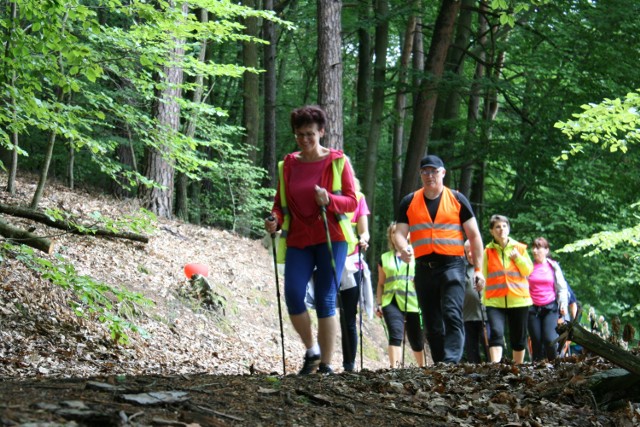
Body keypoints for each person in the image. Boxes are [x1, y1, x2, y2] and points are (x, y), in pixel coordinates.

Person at [265, 105, 358, 375]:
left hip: (332, 237)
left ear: (321, 132)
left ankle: (327, 365)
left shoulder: (338, 162)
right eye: (299, 135)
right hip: (299, 239)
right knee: (293, 294)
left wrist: (329, 200)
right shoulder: (288, 165)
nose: (304, 140)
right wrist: (274, 220)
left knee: (325, 297)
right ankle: (312, 351)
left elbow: (351, 202)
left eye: (310, 134)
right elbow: (279, 205)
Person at [394, 155, 485, 364]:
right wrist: (403, 247)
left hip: (452, 265)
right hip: (424, 267)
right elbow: (399, 233)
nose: (429, 176)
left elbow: (474, 236)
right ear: (420, 174)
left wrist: (478, 270)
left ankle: (451, 362)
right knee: (432, 321)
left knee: (452, 313)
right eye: (425, 172)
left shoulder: (457, 199)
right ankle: (440, 364)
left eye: (434, 171)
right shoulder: (409, 201)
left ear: (443, 173)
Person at [482, 215, 533, 364]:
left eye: (504, 226)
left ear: (508, 229)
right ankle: (496, 368)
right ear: (492, 231)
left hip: (519, 300)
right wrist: (481, 292)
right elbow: (483, 275)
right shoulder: (487, 252)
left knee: (518, 338)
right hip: (494, 301)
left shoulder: (520, 248)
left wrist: (518, 258)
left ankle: (518, 368)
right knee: (496, 333)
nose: (501, 230)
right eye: (497, 227)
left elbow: (528, 271)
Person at [376, 223, 425, 368]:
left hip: (413, 302)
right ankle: (395, 370)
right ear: (391, 237)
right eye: (393, 232)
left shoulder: (417, 256)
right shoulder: (384, 258)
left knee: (416, 339)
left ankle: (423, 369)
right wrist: (379, 303)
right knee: (395, 334)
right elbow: (381, 283)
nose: (396, 235)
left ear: (407, 235)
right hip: (390, 301)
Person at [338, 178, 373, 372]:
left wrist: (364, 240)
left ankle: (349, 365)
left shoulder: (359, 198)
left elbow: (364, 231)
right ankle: (323, 361)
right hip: (330, 261)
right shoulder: (328, 198)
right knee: (325, 311)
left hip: (353, 262)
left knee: (349, 316)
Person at [528, 236, 569, 362]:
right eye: (533, 248)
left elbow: (562, 288)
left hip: (550, 307)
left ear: (546, 250)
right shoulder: (528, 267)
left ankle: (555, 365)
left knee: (549, 339)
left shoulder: (553, 266)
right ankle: (536, 369)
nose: (535, 251)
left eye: (538, 248)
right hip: (532, 308)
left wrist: (563, 304)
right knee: (536, 340)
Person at [463, 240, 489, 363]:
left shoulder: (487, 266)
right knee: (471, 350)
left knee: (490, 346)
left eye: (472, 251)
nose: (470, 254)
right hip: (467, 316)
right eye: (467, 251)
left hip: (487, 315)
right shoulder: (461, 268)